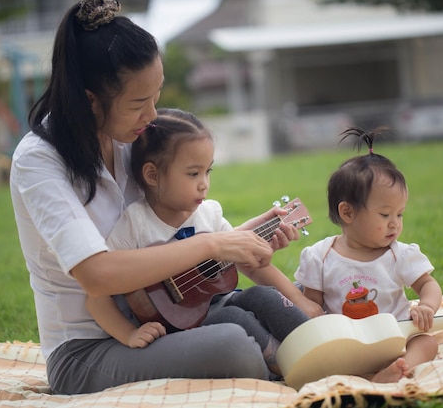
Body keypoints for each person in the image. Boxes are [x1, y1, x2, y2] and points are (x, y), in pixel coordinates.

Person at [10, 0, 302, 395]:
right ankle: (297, 367)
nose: (151, 117)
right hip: (89, 348)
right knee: (234, 345)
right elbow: (97, 273)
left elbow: (182, 237)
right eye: (137, 104)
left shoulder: (133, 139)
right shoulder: (39, 161)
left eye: (156, 96)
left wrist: (248, 239)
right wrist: (213, 244)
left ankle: (328, 354)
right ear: (89, 99)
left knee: (274, 304)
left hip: (173, 317)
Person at [86, 108, 324, 377]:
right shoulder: (135, 224)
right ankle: (293, 369)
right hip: (183, 329)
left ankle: (322, 344)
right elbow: (96, 297)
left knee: (262, 295)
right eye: (193, 174)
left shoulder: (208, 213)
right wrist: (129, 334)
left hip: (220, 303)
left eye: (207, 172)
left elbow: (245, 260)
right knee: (236, 319)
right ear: (152, 175)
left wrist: (298, 299)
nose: (204, 184)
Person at [294, 126, 443, 383]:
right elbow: (314, 308)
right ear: (347, 213)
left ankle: (399, 367)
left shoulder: (400, 255)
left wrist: (427, 306)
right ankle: (350, 372)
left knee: (426, 343)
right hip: (346, 345)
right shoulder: (320, 256)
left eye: (400, 214)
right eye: (385, 215)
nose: (395, 223)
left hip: (395, 339)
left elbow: (428, 284)